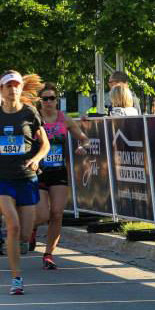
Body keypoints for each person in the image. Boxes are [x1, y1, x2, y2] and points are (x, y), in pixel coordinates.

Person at [0, 71, 49, 295]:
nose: (12, 89)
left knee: (25, 233)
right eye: (8, 86)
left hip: (27, 177)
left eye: (16, 85)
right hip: (3, 177)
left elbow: (45, 144)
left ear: (21, 89)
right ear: (1, 90)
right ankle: (16, 278)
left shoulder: (30, 112)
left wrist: (37, 159)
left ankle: (22, 241)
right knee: (13, 225)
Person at [35, 83, 89, 269]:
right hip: (38, 172)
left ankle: (48, 254)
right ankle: (33, 229)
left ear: (57, 100)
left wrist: (82, 147)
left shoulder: (64, 119)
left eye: (52, 98)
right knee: (42, 215)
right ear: (40, 101)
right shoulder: (34, 118)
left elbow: (84, 139)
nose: (49, 102)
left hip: (58, 171)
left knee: (57, 213)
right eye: (45, 99)